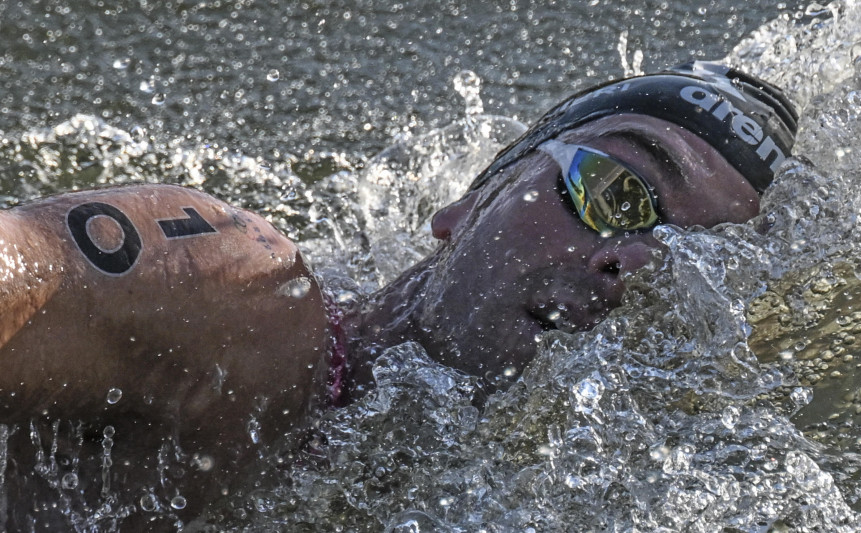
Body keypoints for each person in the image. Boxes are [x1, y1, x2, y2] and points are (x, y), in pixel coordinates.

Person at [0, 61, 797, 529]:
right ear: (474, 197)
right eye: (617, 194)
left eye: (687, 261)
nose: (632, 262)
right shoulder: (241, 292)